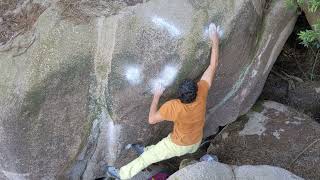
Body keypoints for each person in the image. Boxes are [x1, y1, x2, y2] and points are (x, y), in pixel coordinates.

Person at [106, 23, 220, 179]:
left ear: (180, 95)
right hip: (195, 141)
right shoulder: (201, 94)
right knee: (165, 142)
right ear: (196, 90)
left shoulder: (174, 107)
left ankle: (122, 174)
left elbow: (151, 119)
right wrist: (215, 39)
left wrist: (157, 95)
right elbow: (213, 66)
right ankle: (147, 150)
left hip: (179, 145)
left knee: (149, 158)